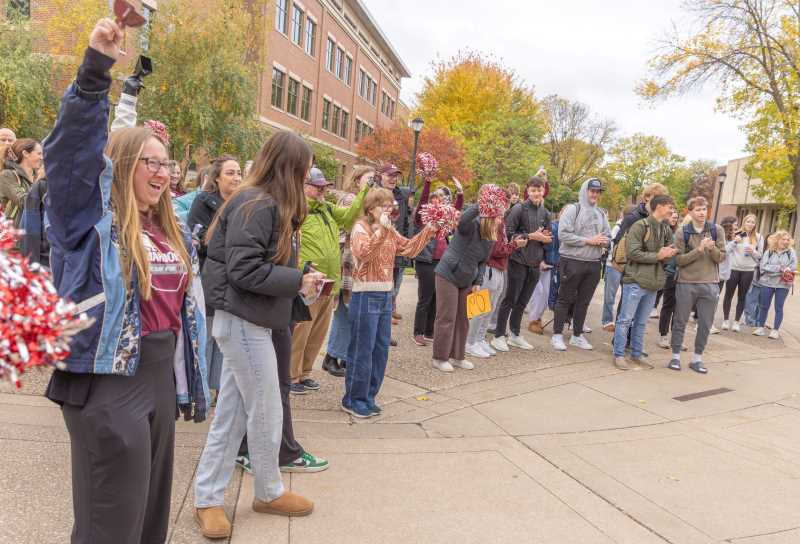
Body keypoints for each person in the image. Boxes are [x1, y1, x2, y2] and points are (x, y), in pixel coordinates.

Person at [43, 20, 209, 543]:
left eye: (167, 164)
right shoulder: (88, 220)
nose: (162, 174)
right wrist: (96, 72)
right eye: (148, 163)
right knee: (110, 525)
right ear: (120, 167)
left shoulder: (168, 230)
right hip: (108, 386)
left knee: (147, 523)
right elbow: (72, 154)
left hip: (160, 379)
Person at [194, 131, 324, 538]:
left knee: (233, 414)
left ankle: (211, 498)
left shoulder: (256, 200)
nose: (306, 180)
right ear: (290, 168)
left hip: (245, 318)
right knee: (266, 409)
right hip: (244, 320)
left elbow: (244, 267)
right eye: (303, 171)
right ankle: (264, 491)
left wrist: (296, 280)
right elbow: (245, 270)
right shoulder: (259, 203)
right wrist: (299, 281)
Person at [343, 188, 434, 418]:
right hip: (365, 295)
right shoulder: (360, 228)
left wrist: (430, 230)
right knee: (362, 349)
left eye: (389, 205)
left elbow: (410, 248)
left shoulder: (388, 230)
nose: (388, 209)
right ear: (370, 207)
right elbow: (364, 254)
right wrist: (382, 230)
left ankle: (369, 396)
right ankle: (353, 399)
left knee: (380, 349)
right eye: (383, 205)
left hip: (385, 294)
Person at [290, 167, 368, 394]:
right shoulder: (298, 210)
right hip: (309, 282)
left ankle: (304, 373)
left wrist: (364, 192)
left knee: (317, 332)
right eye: (318, 186)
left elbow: (350, 216)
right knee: (301, 331)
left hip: (328, 283)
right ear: (304, 187)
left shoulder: (326, 209)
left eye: (324, 186)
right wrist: (301, 270)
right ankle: (291, 375)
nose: (323, 190)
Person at [433, 185, 507, 371]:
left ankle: (458, 356)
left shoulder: (490, 237)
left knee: (463, 318)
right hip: (448, 274)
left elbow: (483, 262)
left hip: (467, 280)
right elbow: (464, 217)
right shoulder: (470, 225)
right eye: (498, 217)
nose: (500, 221)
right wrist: (481, 203)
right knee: (447, 317)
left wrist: (477, 282)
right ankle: (440, 357)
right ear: (489, 216)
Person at [611, 195, 677, 370]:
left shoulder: (666, 229)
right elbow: (632, 253)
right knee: (625, 320)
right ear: (658, 207)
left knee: (641, 322)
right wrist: (659, 255)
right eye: (669, 206)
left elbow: (671, 253)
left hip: (654, 283)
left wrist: (669, 255)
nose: (672, 210)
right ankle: (618, 355)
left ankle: (636, 354)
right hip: (635, 281)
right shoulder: (640, 226)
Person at [323, 165, 376, 377]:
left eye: (375, 179)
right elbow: (353, 224)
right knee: (345, 310)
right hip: (349, 260)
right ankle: (332, 356)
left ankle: (343, 355)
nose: (373, 183)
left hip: (361, 262)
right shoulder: (349, 200)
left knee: (353, 310)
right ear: (357, 181)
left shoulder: (372, 202)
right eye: (369, 179)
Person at [490, 177, 552, 351]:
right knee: (510, 299)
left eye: (539, 190)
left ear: (544, 191)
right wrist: (532, 236)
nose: (536, 193)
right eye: (533, 190)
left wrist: (546, 239)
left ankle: (515, 334)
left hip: (535, 263)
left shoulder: (545, 213)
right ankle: (499, 336)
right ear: (527, 191)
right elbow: (508, 235)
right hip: (517, 260)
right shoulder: (519, 209)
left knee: (523, 302)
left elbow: (547, 238)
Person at [551, 178, 611, 351]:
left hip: (593, 264)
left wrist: (604, 242)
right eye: (592, 190)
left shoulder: (601, 213)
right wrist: (589, 241)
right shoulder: (572, 209)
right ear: (585, 191)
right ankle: (557, 335)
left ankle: (577, 335)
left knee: (584, 301)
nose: (595, 194)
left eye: (598, 191)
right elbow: (563, 235)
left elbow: (608, 235)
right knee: (564, 298)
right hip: (572, 261)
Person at [668, 196, 726, 373]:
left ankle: (697, 359)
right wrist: (699, 250)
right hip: (686, 283)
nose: (702, 213)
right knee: (680, 320)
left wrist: (711, 249)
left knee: (706, 323)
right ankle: (675, 356)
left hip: (710, 284)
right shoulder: (682, 232)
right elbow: (678, 261)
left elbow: (721, 257)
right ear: (690, 212)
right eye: (698, 209)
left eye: (704, 209)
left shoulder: (717, 230)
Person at [602, 184, 668, 331]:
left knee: (641, 315)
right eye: (655, 198)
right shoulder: (632, 218)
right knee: (626, 311)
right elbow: (620, 244)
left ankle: (632, 343)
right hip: (631, 271)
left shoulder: (662, 222)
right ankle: (619, 343)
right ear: (646, 198)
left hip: (651, 273)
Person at [465, 203, 525, 358]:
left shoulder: (502, 224)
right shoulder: (490, 224)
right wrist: (514, 245)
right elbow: (496, 250)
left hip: (499, 269)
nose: (501, 216)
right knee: (479, 309)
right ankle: (469, 342)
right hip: (488, 269)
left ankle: (479, 339)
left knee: (489, 309)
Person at [411, 177, 464, 346]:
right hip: (426, 261)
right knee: (425, 297)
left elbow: (456, 210)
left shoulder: (444, 218)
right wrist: (427, 183)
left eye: (443, 196)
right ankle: (418, 332)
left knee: (436, 298)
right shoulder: (425, 217)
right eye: (437, 195)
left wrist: (460, 193)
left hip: (441, 262)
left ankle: (429, 331)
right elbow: (421, 203)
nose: (440, 198)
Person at [188, 155, 242, 268]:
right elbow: (197, 239)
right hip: (210, 268)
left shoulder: (245, 203)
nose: (237, 178)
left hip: (239, 266)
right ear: (217, 177)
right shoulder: (203, 201)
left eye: (239, 173)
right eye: (230, 173)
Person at [376, 163, 413, 325]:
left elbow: (405, 222)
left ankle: (387, 321)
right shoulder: (373, 194)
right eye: (389, 175)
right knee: (381, 290)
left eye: (395, 175)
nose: (393, 179)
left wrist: (405, 244)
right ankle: (381, 322)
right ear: (380, 176)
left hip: (397, 249)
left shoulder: (401, 196)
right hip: (379, 250)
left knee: (394, 289)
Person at [721, 214, 763, 332]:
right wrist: (735, 241)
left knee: (742, 297)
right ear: (744, 222)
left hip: (748, 271)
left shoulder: (758, 237)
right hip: (733, 269)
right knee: (728, 295)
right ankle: (725, 320)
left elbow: (760, 256)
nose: (750, 224)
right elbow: (726, 250)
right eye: (748, 221)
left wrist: (753, 252)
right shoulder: (737, 233)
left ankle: (736, 322)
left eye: (752, 222)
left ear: (755, 224)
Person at [753, 231, 796, 339]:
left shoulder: (791, 252)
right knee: (764, 306)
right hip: (767, 283)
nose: (786, 241)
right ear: (777, 240)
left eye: (787, 240)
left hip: (783, 284)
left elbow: (792, 267)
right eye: (783, 239)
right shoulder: (769, 251)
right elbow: (763, 267)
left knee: (779, 307)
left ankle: (775, 330)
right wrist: (780, 269)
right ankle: (760, 328)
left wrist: (776, 270)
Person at [526, 209, 560, 334]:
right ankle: (533, 320)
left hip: (552, 265)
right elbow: (537, 244)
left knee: (546, 293)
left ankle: (537, 318)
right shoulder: (553, 228)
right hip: (540, 263)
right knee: (539, 292)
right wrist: (540, 261)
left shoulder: (565, 230)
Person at [0, 138, 42, 226]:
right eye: (39, 153)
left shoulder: (38, 176)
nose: (42, 157)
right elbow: (24, 202)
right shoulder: (7, 175)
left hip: (34, 232)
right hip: (14, 234)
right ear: (25, 153)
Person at [658, 208, 682, 349]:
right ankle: (663, 335)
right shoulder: (664, 231)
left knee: (679, 308)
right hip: (669, 273)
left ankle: (676, 337)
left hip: (682, 275)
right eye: (672, 215)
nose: (674, 218)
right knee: (668, 305)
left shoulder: (681, 233)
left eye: (676, 217)